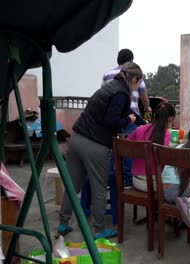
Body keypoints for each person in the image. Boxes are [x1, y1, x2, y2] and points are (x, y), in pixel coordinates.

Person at [56, 62, 146, 239]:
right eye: (138, 83)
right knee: (99, 188)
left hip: (76, 139)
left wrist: (144, 124)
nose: (137, 87)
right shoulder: (121, 93)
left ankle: (63, 225)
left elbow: (127, 111)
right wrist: (128, 120)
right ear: (134, 79)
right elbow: (112, 121)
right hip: (95, 145)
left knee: (72, 185)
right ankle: (99, 230)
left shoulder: (112, 87)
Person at [103, 48, 150, 188]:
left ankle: (113, 181)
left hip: (113, 116)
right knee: (130, 150)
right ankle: (129, 182)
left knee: (114, 148)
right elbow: (144, 98)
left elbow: (105, 96)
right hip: (130, 117)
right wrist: (147, 108)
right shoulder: (134, 75)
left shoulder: (107, 74)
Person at [127, 102, 176, 191]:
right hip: (154, 184)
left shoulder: (140, 128)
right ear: (171, 118)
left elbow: (126, 146)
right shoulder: (166, 134)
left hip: (136, 180)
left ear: (154, 114)